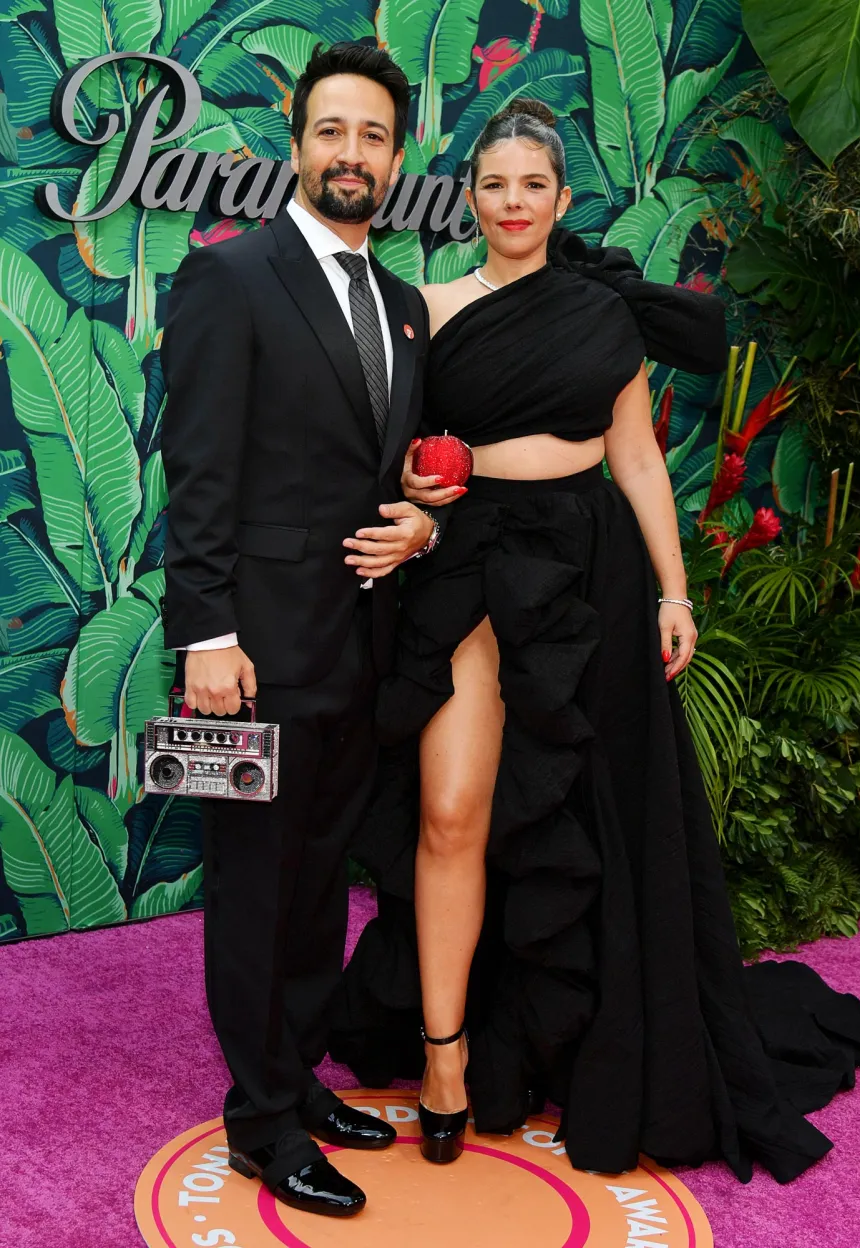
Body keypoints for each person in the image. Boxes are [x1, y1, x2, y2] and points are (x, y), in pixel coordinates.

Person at [331, 99, 860, 1179]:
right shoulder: (430, 307)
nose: (511, 204)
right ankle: (446, 1057)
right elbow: (399, 453)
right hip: (467, 560)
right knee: (453, 809)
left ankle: (575, 1032)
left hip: (589, 562)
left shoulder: (604, 315)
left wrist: (674, 595)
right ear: (469, 198)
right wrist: (414, 488)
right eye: (493, 185)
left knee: (588, 807)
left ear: (560, 198)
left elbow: (636, 458)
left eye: (532, 186)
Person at [159, 43, 439, 1217]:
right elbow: (201, 469)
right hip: (256, 653)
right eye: (333, 131)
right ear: (296, 140)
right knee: (257, 887)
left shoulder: (409, 306)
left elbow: (399, 476)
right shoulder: (234, 278)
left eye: (373, 136)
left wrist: (421, 533)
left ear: (396, 155)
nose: (352, 155)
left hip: (358, 651)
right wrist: (206, 634)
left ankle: (302, 1079)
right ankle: (262, 1121)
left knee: (323, 882)